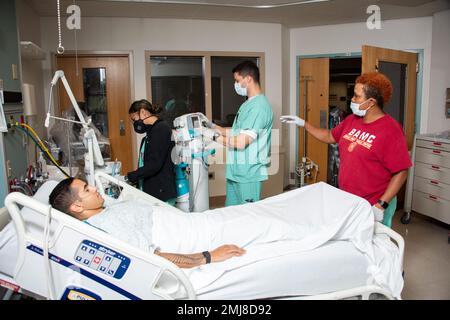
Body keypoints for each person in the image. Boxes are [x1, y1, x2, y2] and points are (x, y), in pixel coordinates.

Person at [281, 72, 412, 224]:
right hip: (349, 199)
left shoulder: (391, 130)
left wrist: (381, 204)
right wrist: (304, 124)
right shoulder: (352, 120)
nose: (352, 99)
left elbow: (401, 171)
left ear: (371, 102)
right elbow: (330, 136)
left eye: (357, 96)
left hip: (373, 203)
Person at [204, 61, 273, 206]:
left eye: (237, 80)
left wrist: (213, 137)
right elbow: (234, 132)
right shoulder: (246, 104)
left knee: (247, 216)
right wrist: (210, 126)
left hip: (249, 173)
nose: (235, 84)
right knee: (231, 212)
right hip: (236, 171)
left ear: (248, 79)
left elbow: (241, 142)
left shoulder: (259, 107)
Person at [126, 99, 177, 205]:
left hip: (161, 191)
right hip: (155, 190)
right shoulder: (152, 132)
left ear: (143, 112)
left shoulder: (160, 130)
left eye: (134, 119)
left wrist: (132, 176)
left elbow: (154, 164)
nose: (135, 124)